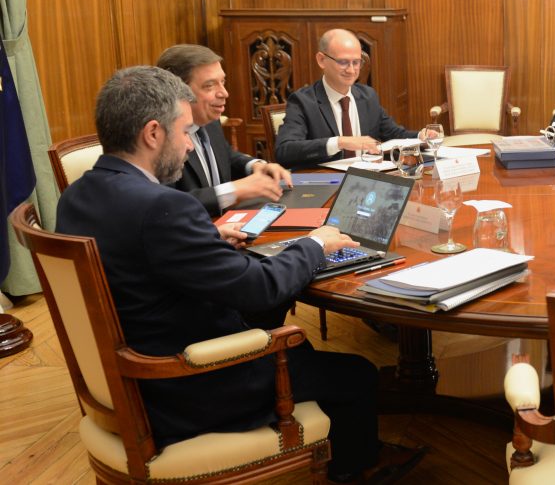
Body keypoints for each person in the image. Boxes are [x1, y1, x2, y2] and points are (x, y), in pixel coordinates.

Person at [56, 66, 424, 483]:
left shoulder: (76, 195)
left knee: (298, 344)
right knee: (356, 373)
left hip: (131, 371)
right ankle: (359, 469)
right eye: (184, 132)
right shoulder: (162, 208)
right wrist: (315, 244)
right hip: (185, 385)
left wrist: (205, 241)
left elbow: (137, 255)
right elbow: (259, 290)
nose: (190, 145)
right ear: (152, 133)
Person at [155, 44, 291, 217]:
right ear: (177, 92)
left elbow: (225, 155)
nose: (224, 93)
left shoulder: (210, 120)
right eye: (209, 85)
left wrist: (254, 166)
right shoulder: (160, 138)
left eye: (223, 82)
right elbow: (168, 206)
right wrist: (234, 190)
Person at [275, 28, 434, 168]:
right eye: (343, 62)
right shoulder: (303, 101)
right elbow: (285, 151)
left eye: (356, 62)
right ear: (321, 60)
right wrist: (340, 142)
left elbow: (393, 133)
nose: (351, 70)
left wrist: (420, 136)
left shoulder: (368, 96)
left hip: (368, 179)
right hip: (326, 183)